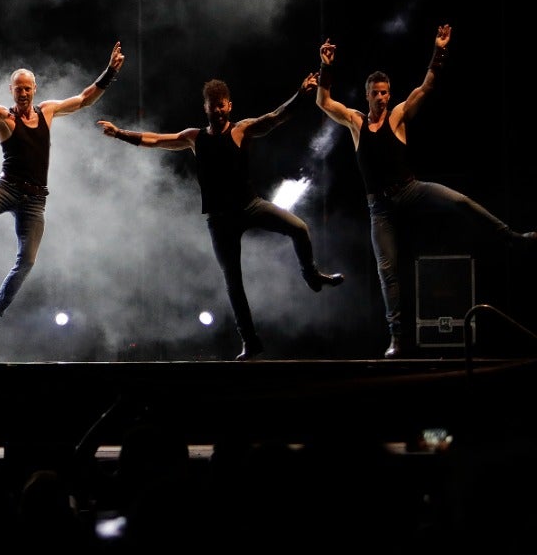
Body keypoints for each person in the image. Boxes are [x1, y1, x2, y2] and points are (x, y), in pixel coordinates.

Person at [315, 25, 534, 358]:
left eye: (385, 92)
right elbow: (323, 100)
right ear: (368, 95)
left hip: (411, 190)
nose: (381, 97)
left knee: (460, 201)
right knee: (386, 269)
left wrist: (439, 51)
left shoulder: (399, 114)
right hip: (380, 209)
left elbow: (427, 85)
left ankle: (509, 236)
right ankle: (397, 338)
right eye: (376, 93)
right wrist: (327, 66)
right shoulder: (355, 122)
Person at [98, 75, 344, 361]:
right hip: (219, 220)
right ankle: (250, 342)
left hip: (250, 206)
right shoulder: (195, 138)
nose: (217, 111)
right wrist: (119, 133)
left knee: (299, 228)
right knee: (233, 282)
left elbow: (276, 117)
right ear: (206, 107)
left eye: (221, 106)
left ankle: (311, 275)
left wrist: (301, 94)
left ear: (229, 106)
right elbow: (155, 140)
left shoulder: (242, 131)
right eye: (212, 106)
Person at [0, 42, 123, 348]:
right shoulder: (4, 118)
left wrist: (110, 71)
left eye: (27, 89)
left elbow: (85, 99)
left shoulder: (47, 111)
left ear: (34, 89)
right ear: (11, 91)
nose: (23, 94)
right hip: (6, 188)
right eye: (18, 89)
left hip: (35, 200)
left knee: (27, 262)